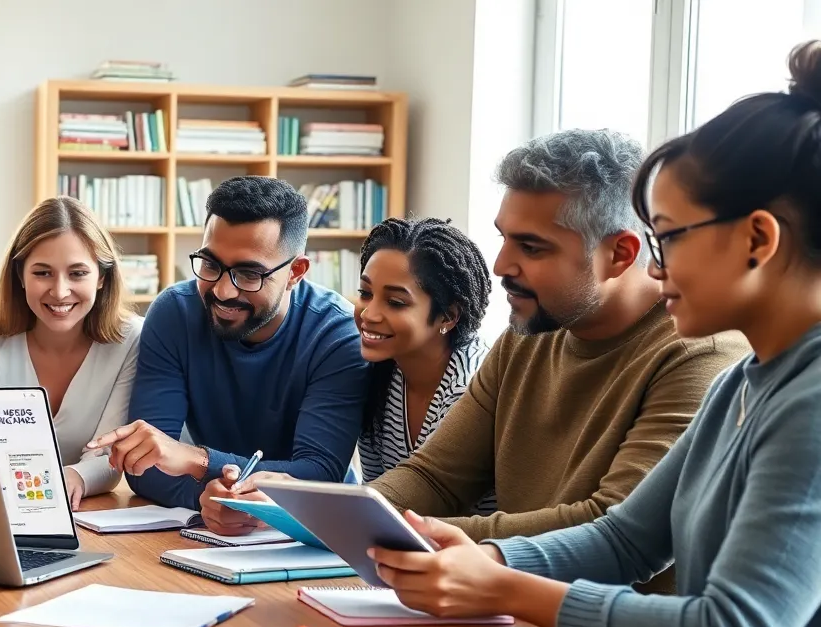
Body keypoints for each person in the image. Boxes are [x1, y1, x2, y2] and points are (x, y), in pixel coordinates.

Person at [369, 41, 821, 627]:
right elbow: (624, 539)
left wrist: (509, 590)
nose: (658, 269)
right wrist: (488, 556)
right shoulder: (746, 384)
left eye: (667, 238)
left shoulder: (809, 399)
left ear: (757, 240)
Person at [219, 130, 750, 585]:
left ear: (620, 254)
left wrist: (407, 531)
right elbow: (435, 478)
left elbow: (610, 529)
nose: (500, 265)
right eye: (503, 240)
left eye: (532, 247)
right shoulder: (527, 335)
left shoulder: (697, 355)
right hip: (514, 612)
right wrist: (312, 510)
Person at [199, 216, 496, 531]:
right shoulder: (381, 375)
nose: (368, 314)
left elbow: (427, 511)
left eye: (395, 302)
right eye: (366, 293)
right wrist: (288, 497)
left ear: (448, 315)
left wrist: (302, 500)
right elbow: (381, 503)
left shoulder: (469, 388)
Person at [87, 176, 366, 511]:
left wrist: (199, 461)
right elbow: (143, 465)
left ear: (296, 271)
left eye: (249, 274)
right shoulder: (175, 313)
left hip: (318, 526)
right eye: (210, 265)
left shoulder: (337, 333)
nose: (222, 291)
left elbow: (320, 475)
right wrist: (209, 500)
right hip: (212, 531)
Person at [0, 197, 142, 510]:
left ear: (101, 277)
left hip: (82, 508)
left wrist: (73, 477)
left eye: (77, 273)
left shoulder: (131, 338)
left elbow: (108, 454)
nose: (59, 291)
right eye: (42, 273)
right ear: (20, 276)